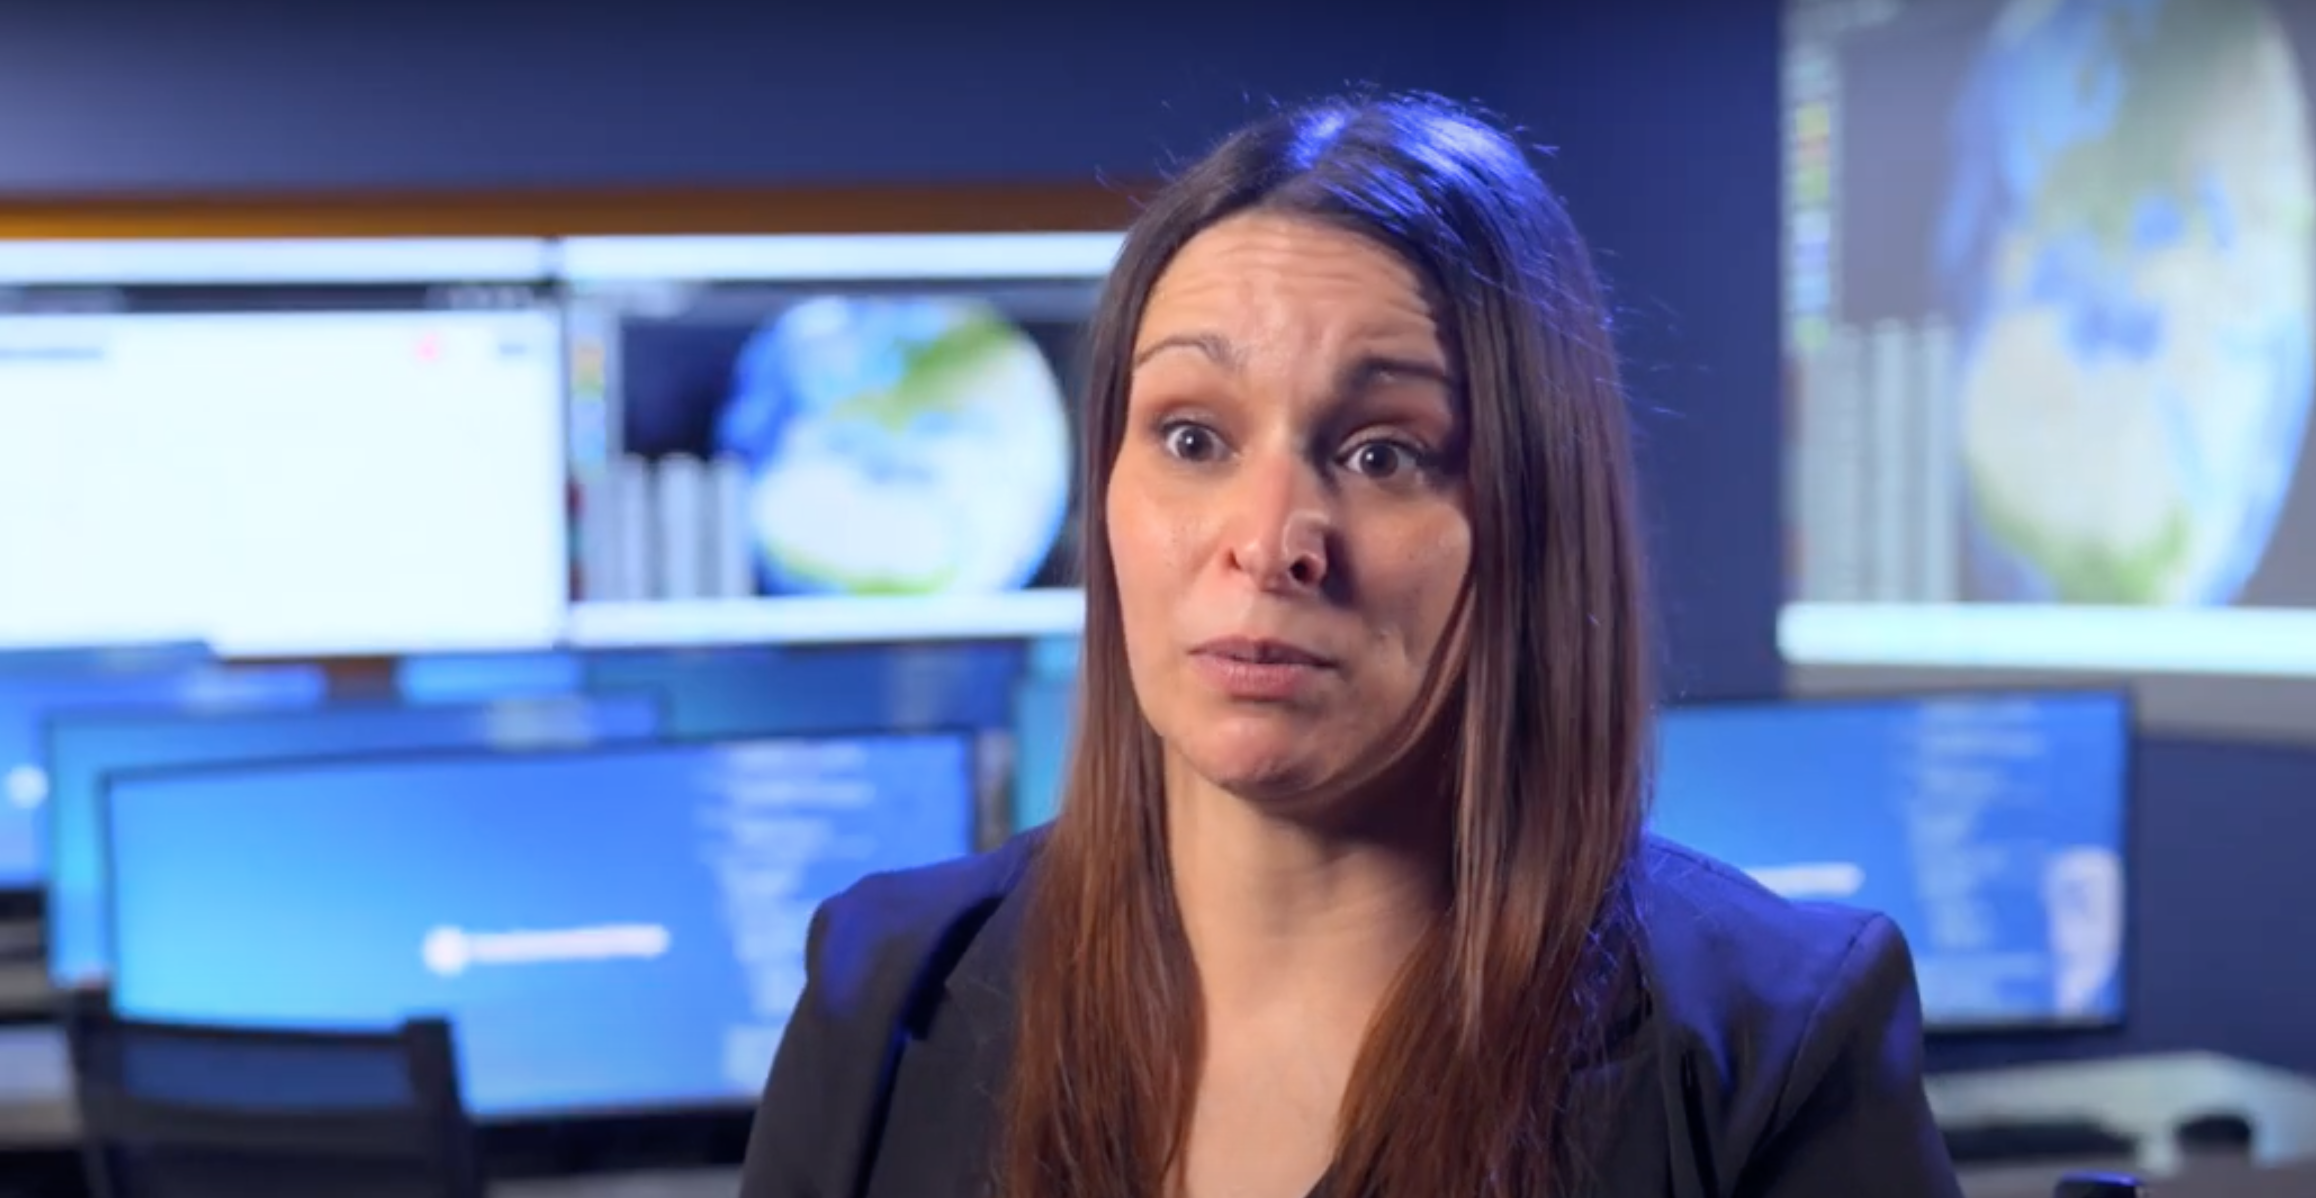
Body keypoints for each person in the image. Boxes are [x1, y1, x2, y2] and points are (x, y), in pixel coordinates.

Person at [740, 93, 1964, 1198]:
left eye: (1383, 454)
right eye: (1191, 439)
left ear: (1540, 519)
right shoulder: (886, 994)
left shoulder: (1770, 1045)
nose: (1270, 541)